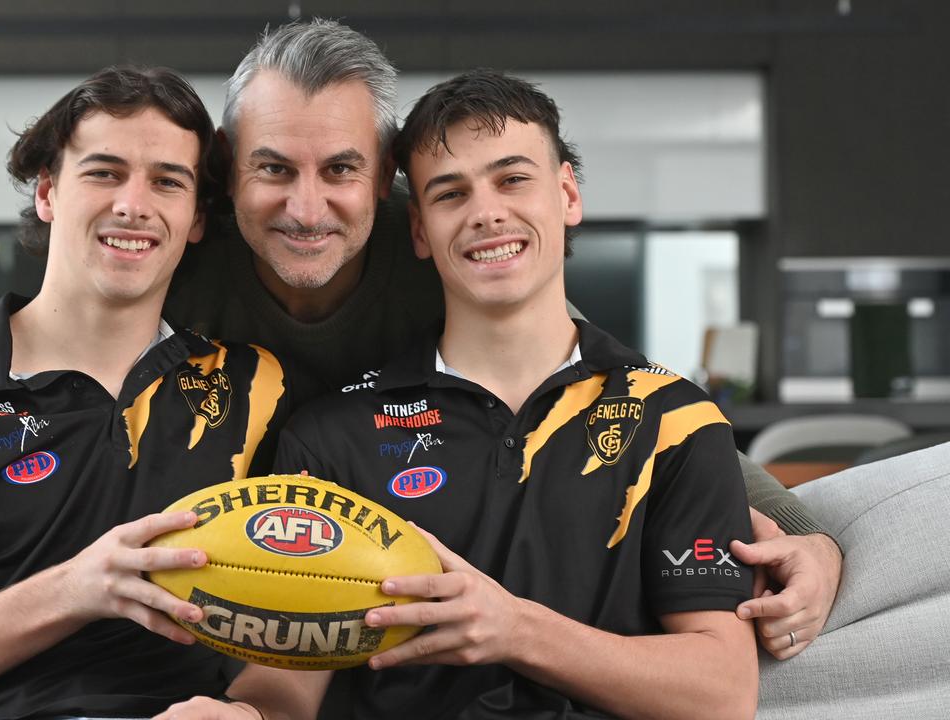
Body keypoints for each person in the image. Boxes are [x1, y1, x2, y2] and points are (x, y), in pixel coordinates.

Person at [164, 19, 841, 661]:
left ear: (384, 175)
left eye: (341, 170)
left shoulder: (445, 242)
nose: (307, 210)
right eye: (274, 169)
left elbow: (627, 397)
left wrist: (812, 539)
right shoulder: (173, 255)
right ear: (227, 165)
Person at [0, 66, 292, 720]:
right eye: (104, 172)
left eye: (167, 181)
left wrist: (251, 714)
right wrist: (75, 588)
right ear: (47, 191)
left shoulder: (250, 388)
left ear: (195, 220)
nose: (134, 203)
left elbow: (306, 622)